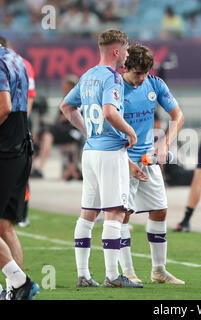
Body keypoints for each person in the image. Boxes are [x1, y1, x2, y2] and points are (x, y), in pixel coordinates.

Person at [60, 29, 142, 288]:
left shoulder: (87, 76)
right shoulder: (112, 78)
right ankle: (112, 275)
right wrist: (130, 132)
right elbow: (109, 112)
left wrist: (88, 132)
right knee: (115, 213)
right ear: (117, 50)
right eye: (126, 50)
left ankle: (83, 274)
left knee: (87, 214)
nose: (127, 55)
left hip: (91, 151)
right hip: (109, 153)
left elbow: (66, 106)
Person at [119, 43, 185, 284]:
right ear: (126, 67)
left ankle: (158, 271)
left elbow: (178, 116)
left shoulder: (155, 84)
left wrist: (165, 143)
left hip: (148, 159)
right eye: (137, 73)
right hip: (123, 160)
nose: (141, 79)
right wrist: (124, 159)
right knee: (122, 214)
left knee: (160, 210)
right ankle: (127, 272)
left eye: (145, 73)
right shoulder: (115, 88)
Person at [0, 41, 39, 299]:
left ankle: (19, 282)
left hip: (4, 150)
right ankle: (15, 289)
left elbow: (3, 106)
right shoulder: (16, 59)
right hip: (21, 148)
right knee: (5, 226)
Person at [0, 36, 36, 228]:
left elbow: (4, 106)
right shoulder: (20, 61)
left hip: (5, 144)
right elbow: (28, 97)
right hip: (21, 137)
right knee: (6, 225)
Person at [31, 74, 84, 181]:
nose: (63, 88)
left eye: (65, 86)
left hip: (74, 132)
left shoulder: (79, 98)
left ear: (71, 86)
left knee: (47, 134)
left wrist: (61, 118)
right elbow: (59, 119)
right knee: (44, 134)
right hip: (61, 130)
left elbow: (69, 117)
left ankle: (39, 167)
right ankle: (33, 167)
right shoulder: (65, 99)